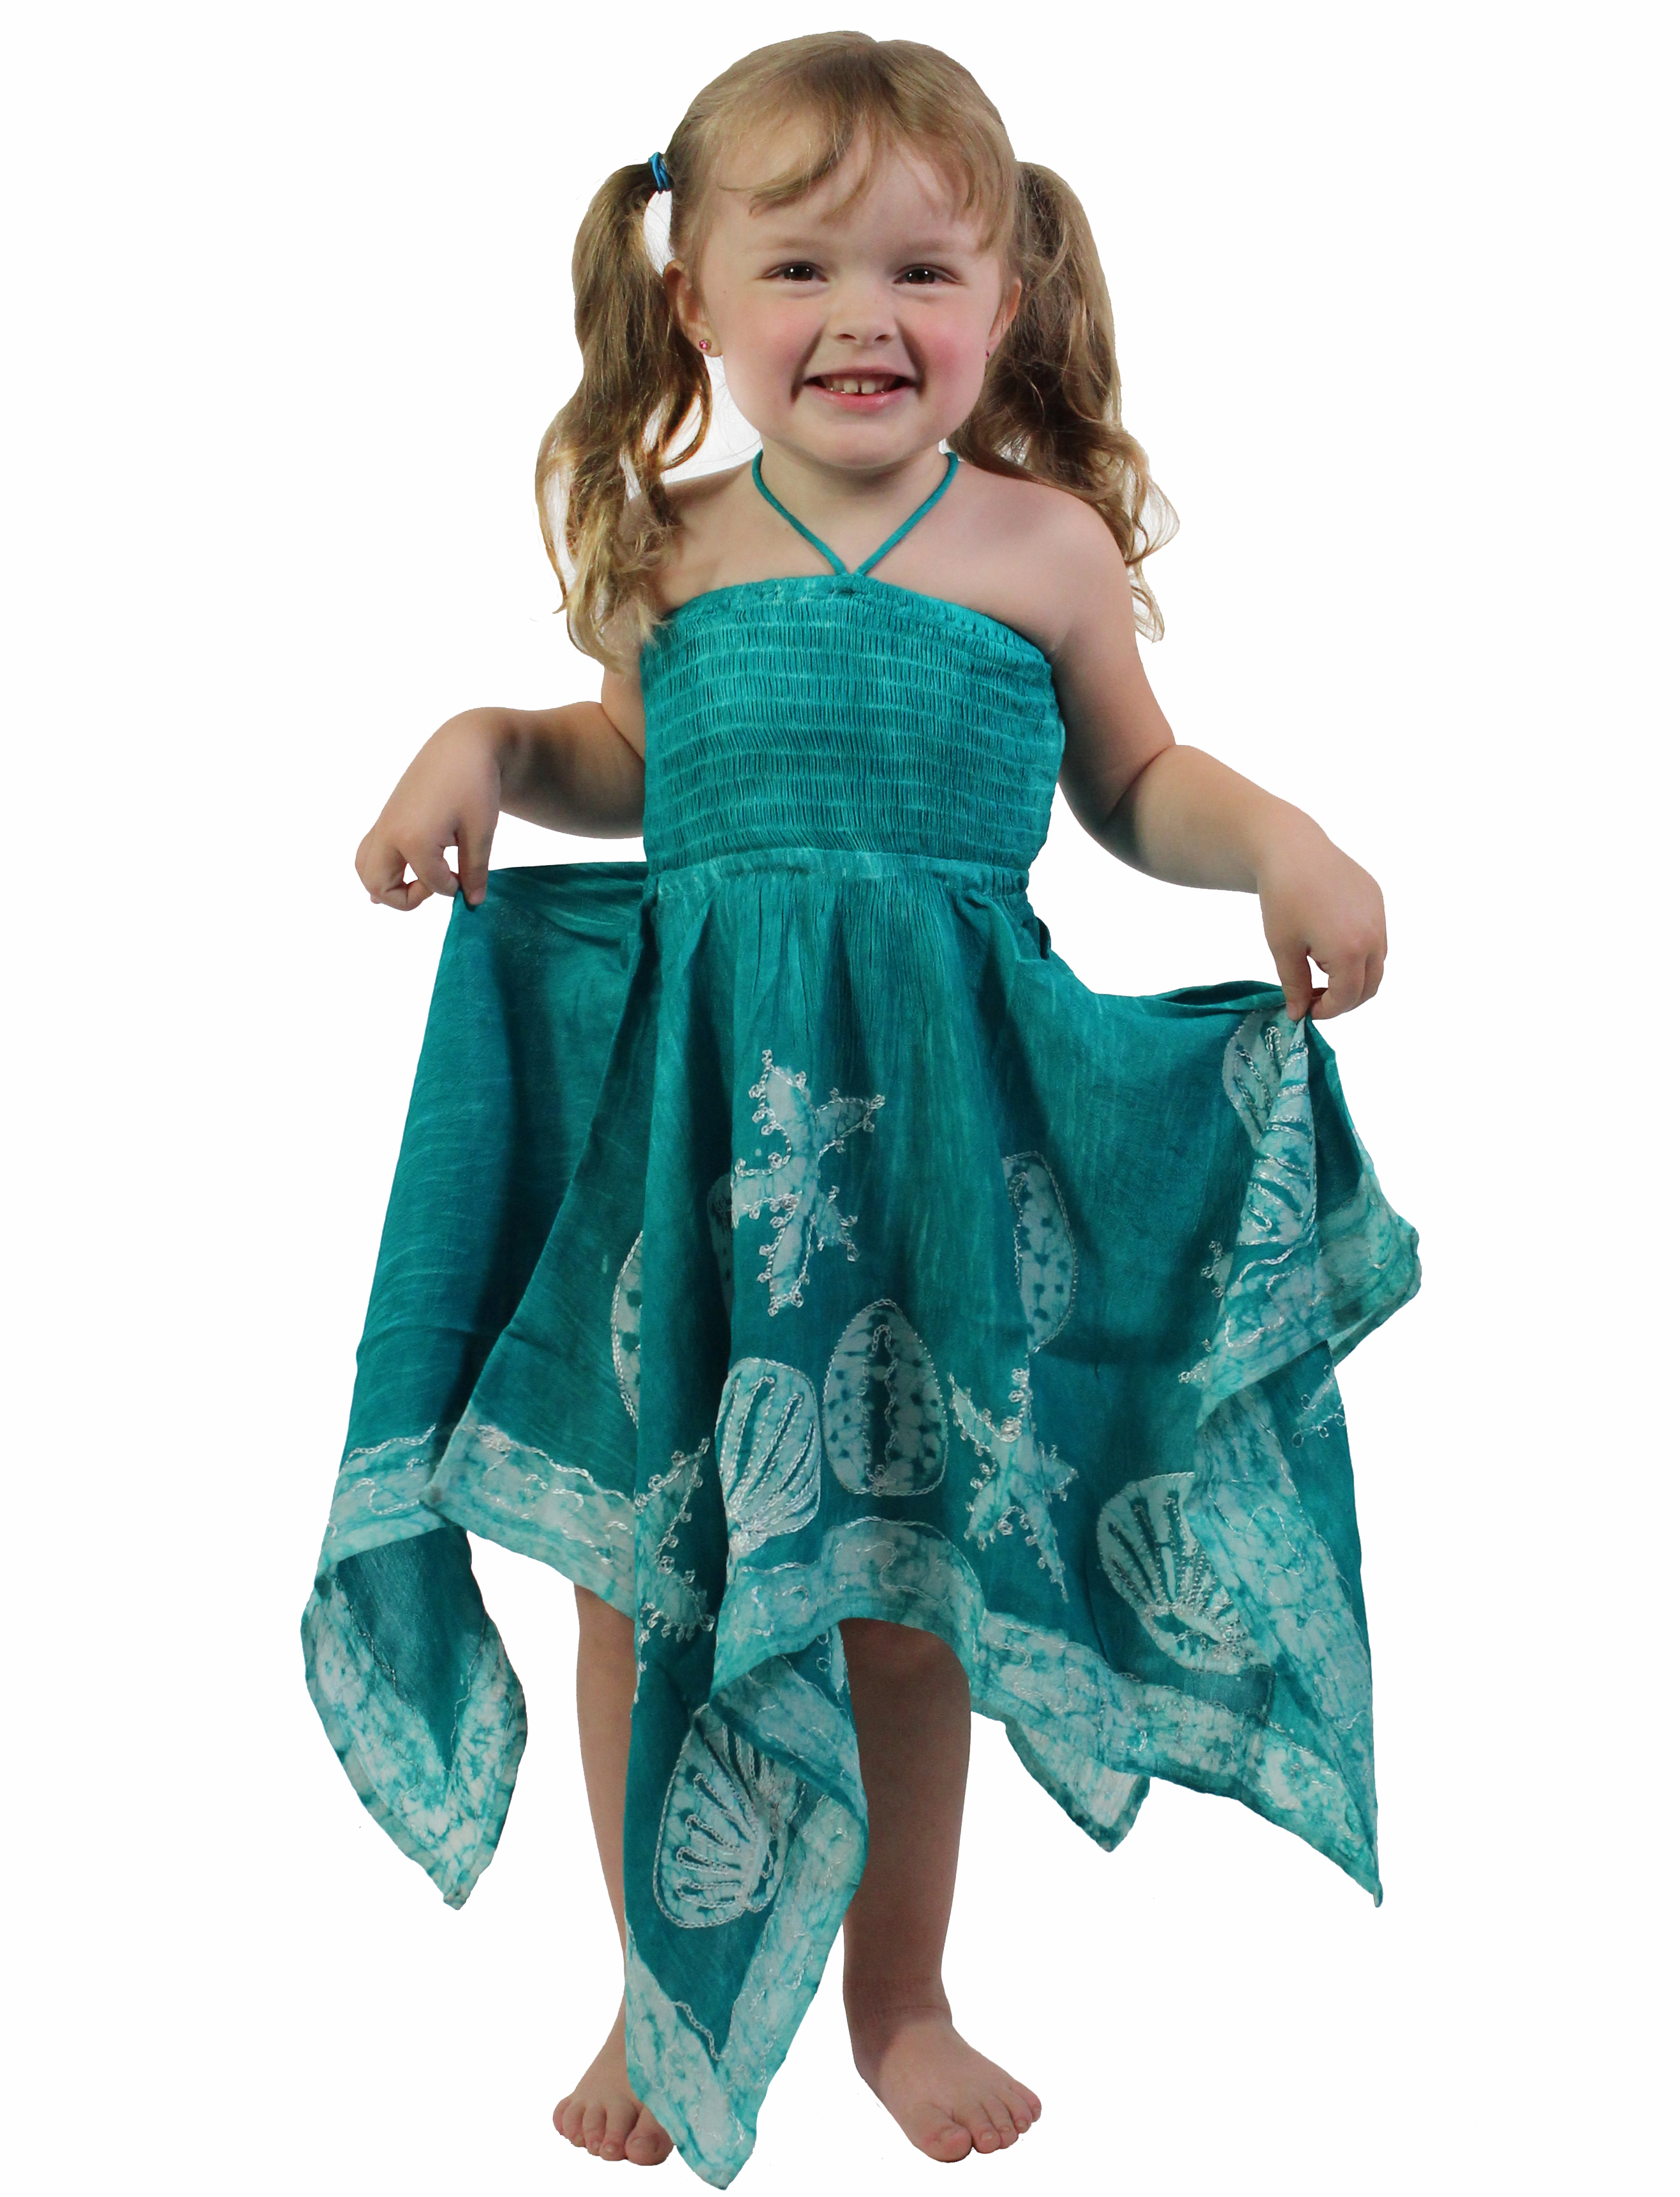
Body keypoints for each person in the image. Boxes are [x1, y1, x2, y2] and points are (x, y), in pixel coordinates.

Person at [302, 31, 1419, 2185]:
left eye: (921, 271)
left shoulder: (1039, 546)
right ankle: (660, 1982)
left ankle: (899, 1994)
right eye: (800, 268)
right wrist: (487, 742)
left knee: (905, 1582)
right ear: (691, 300)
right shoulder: (664, 547)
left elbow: (1133, 783)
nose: (861, 319)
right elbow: (626, 763)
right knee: (635, 1569)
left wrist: (1275, 839)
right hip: (696, 1151)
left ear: (1005, 293)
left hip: (936, 1144)